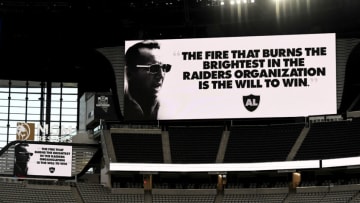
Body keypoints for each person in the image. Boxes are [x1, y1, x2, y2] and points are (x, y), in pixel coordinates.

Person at [124, 40, 171, 120]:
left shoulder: (165, 109)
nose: (161, 75)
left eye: (164, 67)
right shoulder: (120, 107)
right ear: (129, 73)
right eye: (154, 68)